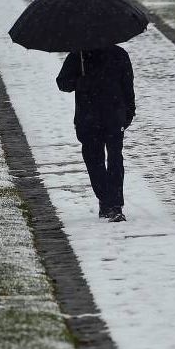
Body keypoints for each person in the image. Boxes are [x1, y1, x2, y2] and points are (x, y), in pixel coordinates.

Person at [56, 46, 135, 221]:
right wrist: (81, 82)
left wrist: (129, 111)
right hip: (88, 117)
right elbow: (62, 82)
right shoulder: (79, 56)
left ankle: (115, 204)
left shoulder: (119, 55)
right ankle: (105, 199)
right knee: (94, 160)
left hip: (114, 115)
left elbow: (127, 85)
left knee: (115, 158)